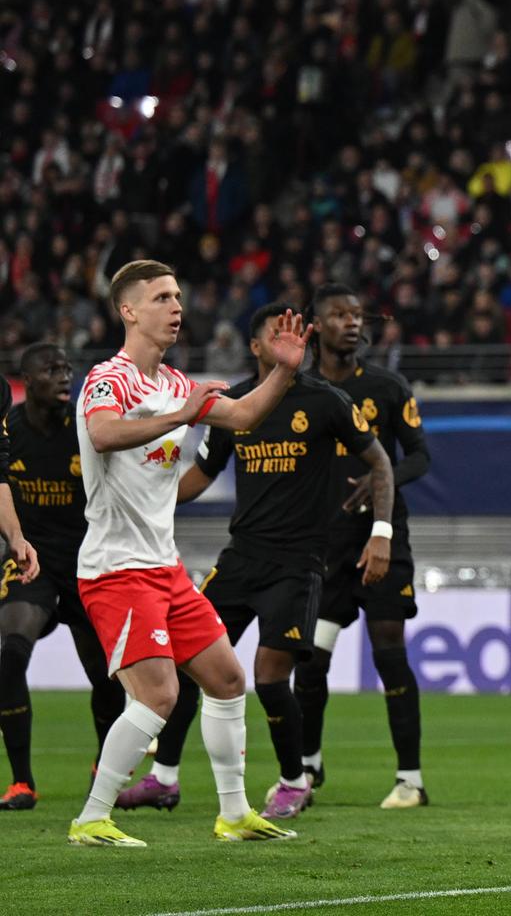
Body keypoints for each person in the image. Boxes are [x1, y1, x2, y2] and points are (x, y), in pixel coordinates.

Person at [68, 260, 309, 847]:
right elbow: (102, 433)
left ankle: (233, 813)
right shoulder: (111, 377)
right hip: (116, 569)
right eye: (161, 297)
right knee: (159, 696)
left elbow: (245, 416)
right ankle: (91, 818)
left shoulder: (176, 382)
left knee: (227, 679)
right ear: (128, 311)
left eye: (178, 296)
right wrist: (180, 417)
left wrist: (281, 370)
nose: (176, 307)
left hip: (164, 568)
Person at [125, 302, 394, 822]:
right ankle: (164, 779)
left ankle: (295, 781)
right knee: (186, 664)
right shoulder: (233, 405)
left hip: (298, 563)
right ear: (255, 347)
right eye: (278, 334)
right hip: (241, 558)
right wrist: (140, 501)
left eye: (297, 333)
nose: (291, 340)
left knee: (270, 677)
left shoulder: (325, 401)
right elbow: (201, 476)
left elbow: (379, 460)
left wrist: (380, 533)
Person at [297, 283, 433, 809]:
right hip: (324, 547)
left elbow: (420, 456)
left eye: (357, 315)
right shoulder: (299, 390)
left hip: (382, 540)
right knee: (310, 662)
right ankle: (307, 768)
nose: (352, 323)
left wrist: (381, 478)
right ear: (315, 325)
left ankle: (411, 780)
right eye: (338, 314)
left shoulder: (388, 386)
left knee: (390, 657)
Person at [2, 344, 125, 811]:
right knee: (12, 652)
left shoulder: (87, 426)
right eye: (52, 370)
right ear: (27, 380)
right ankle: (21, 782)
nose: (64, 376)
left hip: (87, 561)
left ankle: (102, 766)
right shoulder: (8, 429)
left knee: (105, 676)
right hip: (30, 559)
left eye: (67, 369)